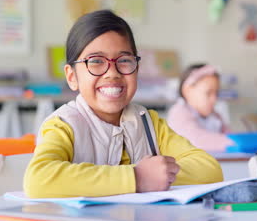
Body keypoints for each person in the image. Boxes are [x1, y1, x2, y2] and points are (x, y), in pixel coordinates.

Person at [24, 10, 223, 199]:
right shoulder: (64, 125)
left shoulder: (149, 124)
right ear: (71, 76)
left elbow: (208, 169)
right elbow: (38, 179)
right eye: (96, 61)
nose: (112, 72)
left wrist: (158, 176)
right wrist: (137, 178)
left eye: (125, 60)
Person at [166, 63, 234, 152]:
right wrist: (236, 142)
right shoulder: (179, 113)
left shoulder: (215, 116)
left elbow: (229, 135)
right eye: (208, 93)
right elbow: (196, 140)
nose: (214, 99)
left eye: (216, 93)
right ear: (187, 91)